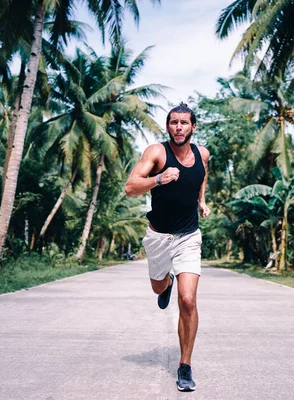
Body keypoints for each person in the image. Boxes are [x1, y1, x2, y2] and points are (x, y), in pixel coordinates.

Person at [124, 102, 210, 392]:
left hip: (189, 236)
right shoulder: (157, 152)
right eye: (174, 122)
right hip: (159, 237)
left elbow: (202, 176)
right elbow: (130, 186)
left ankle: (184, 365)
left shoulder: (203, 154)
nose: (178, 127)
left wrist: (201, 201)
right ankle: (167, 282)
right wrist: (159, 178)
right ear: (168, 126)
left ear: (193, 127)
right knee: (158, 288)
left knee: (188, 301)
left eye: (184, 123)